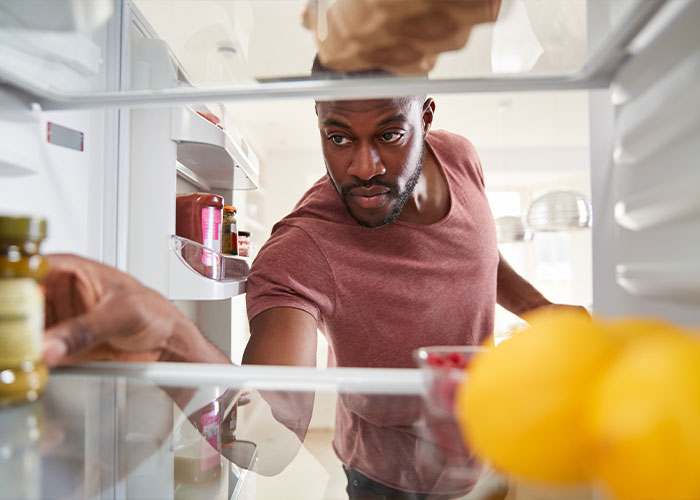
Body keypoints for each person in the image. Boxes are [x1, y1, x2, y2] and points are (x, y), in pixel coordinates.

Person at [42, 60, 582, 499]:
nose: (363, 167)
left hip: (491, 445)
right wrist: (171, 341)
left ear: (428, 116)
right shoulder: (303, 249)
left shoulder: (460, 158)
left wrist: (542, 309)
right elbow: (269, 443)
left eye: (390, 134)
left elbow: (477, 252)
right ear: (319, 121)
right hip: (388, 480)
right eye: (339, 137)